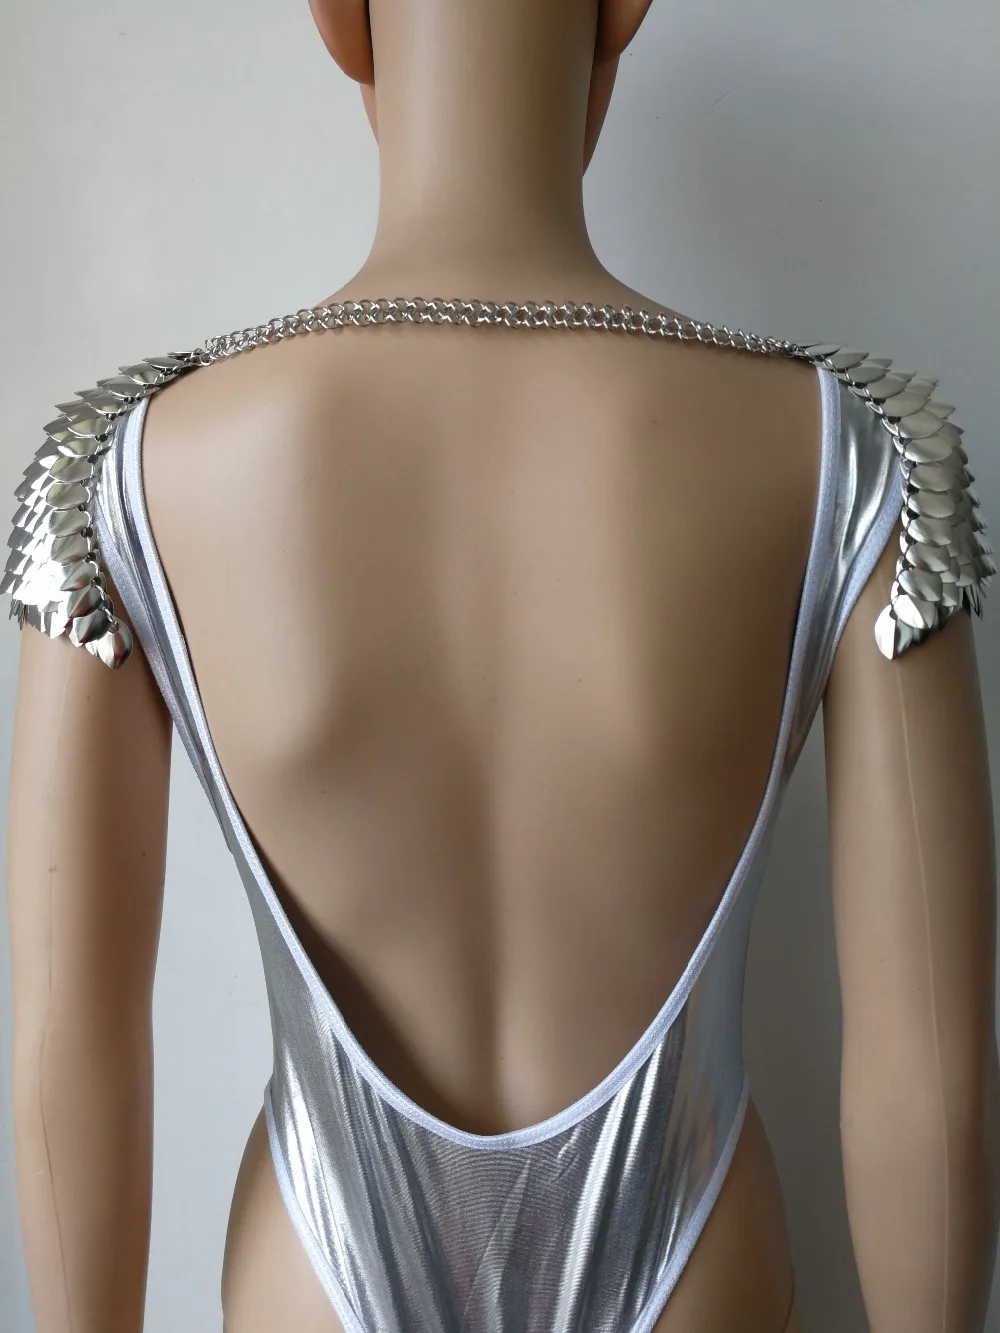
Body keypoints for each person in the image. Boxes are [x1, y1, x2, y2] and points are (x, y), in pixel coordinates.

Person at [6, 2, 999, 1331]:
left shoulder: (126, 471)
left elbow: (67, 1047)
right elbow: (931, 1071)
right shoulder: (852, 455)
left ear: (339, 25)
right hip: (694, 1262)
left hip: (315, 1271)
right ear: (622, 16)